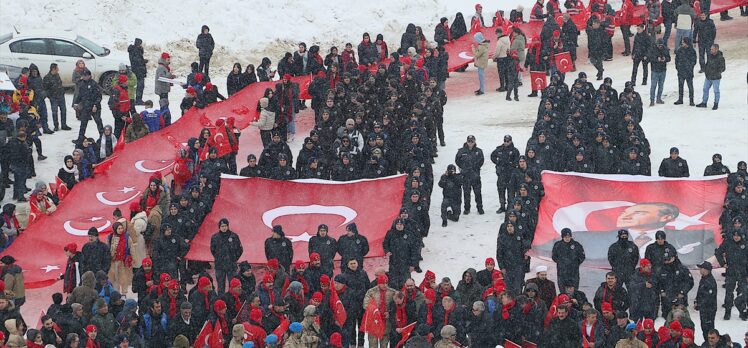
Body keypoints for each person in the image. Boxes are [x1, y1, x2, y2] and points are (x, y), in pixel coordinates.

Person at [210, 218, 243, 294]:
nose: (224, 228)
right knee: (221, 286)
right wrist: (218, 257)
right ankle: (221, 301)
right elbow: (212, 250)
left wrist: (234, 258)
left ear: (228, 226)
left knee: (233, 285)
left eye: (225, 226)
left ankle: (233, 301)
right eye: (222, 226)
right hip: (220, 265)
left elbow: (240, 249)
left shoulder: (234, 236)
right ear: (219, 227)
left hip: (231, 265)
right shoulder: (215, 237)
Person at [455, 135, 484, 215]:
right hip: (466, 176)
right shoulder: (461, 151)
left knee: (478, 193)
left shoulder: (479, 151)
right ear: (467, 141)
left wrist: (475, 168)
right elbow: (457, 160)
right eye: (469, 141)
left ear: (474, 141)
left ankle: (480, 208)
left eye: (472, 141)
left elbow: (481, 161)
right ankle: (467, 209)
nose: (470, 143)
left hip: (475, 176)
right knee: (466, 193)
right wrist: (463, 167)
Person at [73, 69, 103, 143]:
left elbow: (99, 96)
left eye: (86, 76)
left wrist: (95, 105)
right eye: (83, 76)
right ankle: (80, 138)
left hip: (94, 107)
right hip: (85, 107)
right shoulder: (82, 84)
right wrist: (76, 103)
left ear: (89, 76)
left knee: (98, 122)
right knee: (83, 123)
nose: (84, 77)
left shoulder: (94, 84)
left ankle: (102, 137)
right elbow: (79, 95)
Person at [696, 43, 725, 110]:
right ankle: (704, 102)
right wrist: (706, 71)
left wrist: (716, 73)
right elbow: (707, 64)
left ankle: (716, 103)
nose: (711, 50)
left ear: (716, 49)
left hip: (716, 78)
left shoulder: (720, 58)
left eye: (712, 49)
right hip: (708, 77)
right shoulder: (710, 56)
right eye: (711, 49)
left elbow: (723, 68)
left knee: (716, 91)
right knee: (705, 89)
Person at [42, 63, 69, 131]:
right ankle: (56, 125)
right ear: (53, 69)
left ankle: (64, 125)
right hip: (53, 97)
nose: (58, 70)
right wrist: (50, 96)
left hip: (61, 96)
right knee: (54, 112)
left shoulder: (57, 75)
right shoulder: (47, 77)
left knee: (63, 110)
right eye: (57, 68)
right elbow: (45, 89)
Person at [674, 37, 696, 106]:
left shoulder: (692, 51)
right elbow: (676, 60)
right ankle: (680, 99)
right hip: (681, 71)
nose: (682, 43)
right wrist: (678, 67)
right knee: (680, 86)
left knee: (690, 86)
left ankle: (691, 100)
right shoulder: (680, 50)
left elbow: (694, 61)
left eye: (683, 42)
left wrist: (689, 67)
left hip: (688, 72)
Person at [649, 39, 670, 106]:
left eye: (661, 45)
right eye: (659, 45)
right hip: (655, 70)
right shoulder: (653, 49)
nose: (660, 46)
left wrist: (665, 59)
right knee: (653, 86)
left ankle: (659, 98)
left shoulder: (665, 49)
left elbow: (669, 58)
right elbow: (650, 58)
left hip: (663, 70)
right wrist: (656, 59)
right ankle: (652, 100)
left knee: (661, 85)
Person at [494, 28, 511, 93]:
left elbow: (497, 51)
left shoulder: (499, 41)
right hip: (506, 57)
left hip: (500, 58)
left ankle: (502, 86)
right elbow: (509, 48)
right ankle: (507, 85)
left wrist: (494, 57)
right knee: (506, 72)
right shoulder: (507, 39)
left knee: (501, 73)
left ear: (498, 33)